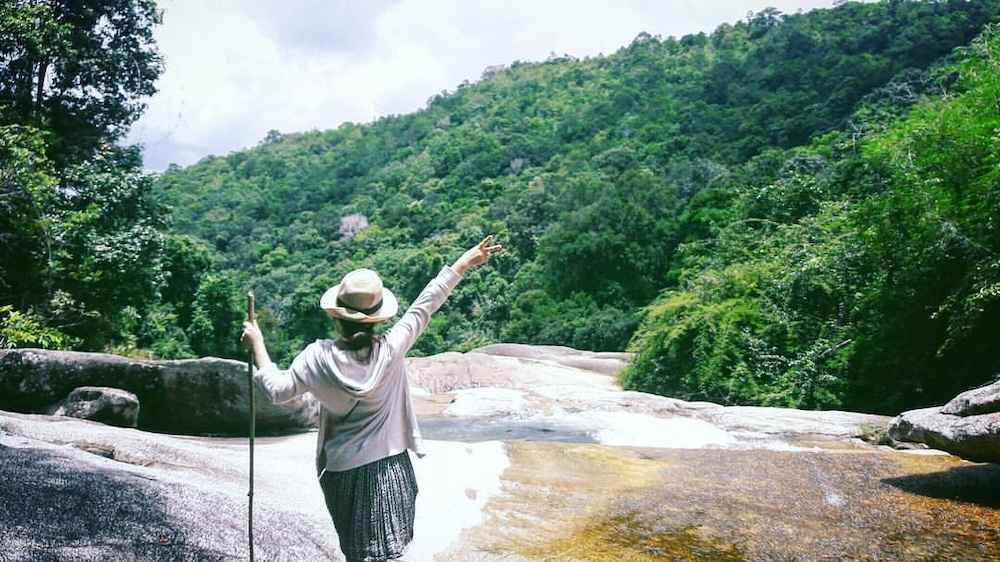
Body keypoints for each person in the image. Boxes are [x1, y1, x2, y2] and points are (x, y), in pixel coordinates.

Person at [241, 234, 502, 562]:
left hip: (343, 472)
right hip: (390, 468)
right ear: (379, 316)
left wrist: (257, 343)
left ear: (336, 315)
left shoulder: (316, 358)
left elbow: (277, 390)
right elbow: (427, 303)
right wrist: (465, 262)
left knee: (358, 553)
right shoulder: (393, 348)